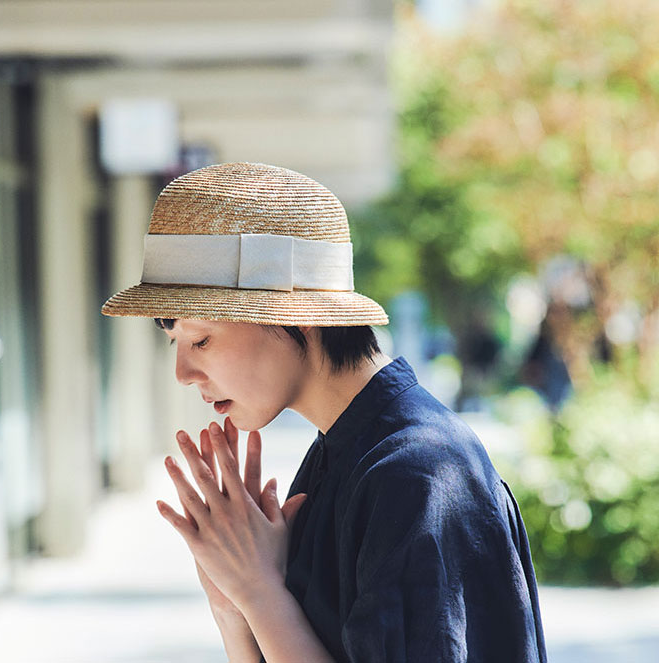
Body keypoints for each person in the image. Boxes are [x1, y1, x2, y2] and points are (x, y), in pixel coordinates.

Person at [102, 162, 547, 662]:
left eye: (201, 338)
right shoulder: (342, 454)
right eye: (174, 343)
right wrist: (234, 604)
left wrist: (259, 593)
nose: (183, 372)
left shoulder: (416, 475)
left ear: (296, 314)